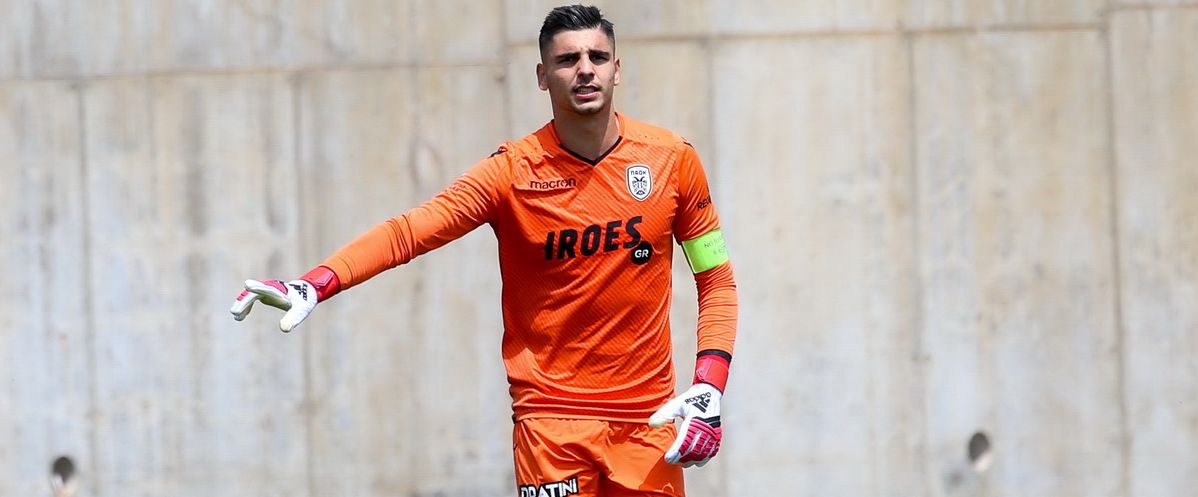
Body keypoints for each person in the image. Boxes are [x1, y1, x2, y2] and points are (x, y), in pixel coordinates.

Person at [230, 5, 737, 496]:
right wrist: (316, 283)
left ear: (617, 69)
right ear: (542, 76)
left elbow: (715, 278)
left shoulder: (673, 161)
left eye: (597, 57)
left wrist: (709, 386)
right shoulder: (511, 172)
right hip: (550, 423)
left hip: (648, 422)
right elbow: (409, 232)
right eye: (567, 60)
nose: (585, 70)